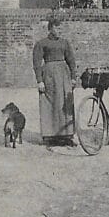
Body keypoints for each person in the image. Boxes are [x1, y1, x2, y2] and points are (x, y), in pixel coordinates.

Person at [32, 18, 78, 149]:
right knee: (50, 104)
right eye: (57, 28)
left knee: (65, 104)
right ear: (50, 28)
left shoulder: (65, 43)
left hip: (64, 76)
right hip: (49, 77)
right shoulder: (42, 44)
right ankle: (49, 136)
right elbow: (36, 63)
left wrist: (73, 78)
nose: (59, 31)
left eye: (61, 28)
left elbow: (72, 61)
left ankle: (67, 135)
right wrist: (39, 81)